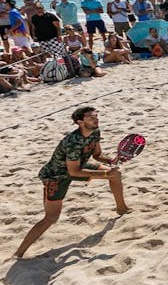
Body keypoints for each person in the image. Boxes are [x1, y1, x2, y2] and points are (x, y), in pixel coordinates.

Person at [13, 107, 131, 258]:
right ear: (80, 122)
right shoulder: (73, 142)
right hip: (56, 176)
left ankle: (121, 208)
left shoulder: (95, 132)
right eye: (91, 117)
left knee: (116, 174)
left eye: (96, 116)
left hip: (77, 166)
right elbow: (73, 172)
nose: (96, 119)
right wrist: (106, 173)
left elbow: (97, 155)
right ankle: (18, 253)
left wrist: (111, 161)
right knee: (51, 218)